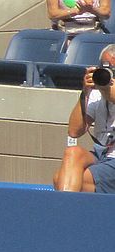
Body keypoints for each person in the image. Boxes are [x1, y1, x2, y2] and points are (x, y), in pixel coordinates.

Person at [54, 45, 115, 193]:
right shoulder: (96, 92)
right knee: (72, 152)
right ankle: (65, 210)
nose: (109, 72)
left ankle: (63, 211)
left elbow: (112, 96)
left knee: (61, 179)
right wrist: (85, 92)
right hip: (101, 154)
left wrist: (104, 86)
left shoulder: (104, 91)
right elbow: (74, 131)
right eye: (105, 67)